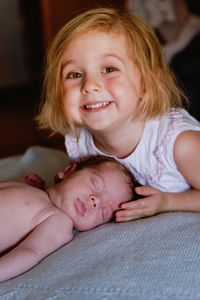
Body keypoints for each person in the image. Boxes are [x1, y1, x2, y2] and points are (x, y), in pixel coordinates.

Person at [36, 7, 200, 224]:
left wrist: (168, 202)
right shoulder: (81, 141)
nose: (90, 85)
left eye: (109, 69)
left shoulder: (179, 143)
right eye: (74, 74)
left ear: (146, 84)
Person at [0, 156, 135, 282]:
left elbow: (30, 252)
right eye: (95, 184)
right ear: (68, 171)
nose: (96, 201)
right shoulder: (34, 192)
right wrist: (21, 183)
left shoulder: (59, 222)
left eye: (104, 211)